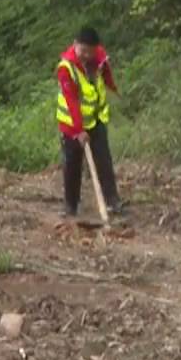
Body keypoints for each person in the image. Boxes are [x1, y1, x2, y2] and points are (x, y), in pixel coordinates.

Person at [56, 27, 124, 219]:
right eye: (83, 51)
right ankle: (71, 206)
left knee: (104, 159)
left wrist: (115, 89)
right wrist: (78, 130)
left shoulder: (99, 57)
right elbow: (71, 101)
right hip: (71, 125)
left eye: (90, 51)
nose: (87, 55)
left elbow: (106, 76)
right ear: (75, 45)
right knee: (72, 165)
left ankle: (112, 201)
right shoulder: (66, 68)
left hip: (96, 119)